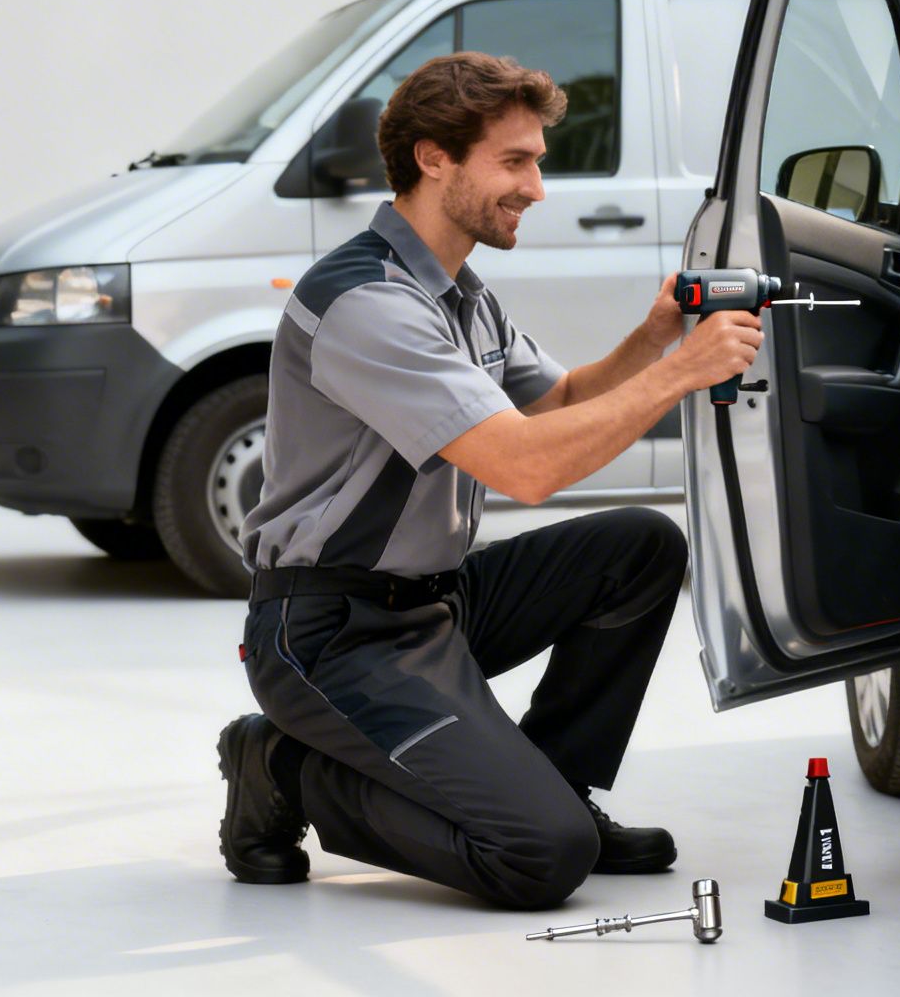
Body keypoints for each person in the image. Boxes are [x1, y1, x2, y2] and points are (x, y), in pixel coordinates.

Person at [215, 51, 762, 909]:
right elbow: (527, 465)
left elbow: (560, 403)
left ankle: (556, 781)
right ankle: (283, 766)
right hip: (330, 631)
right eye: (516, 161)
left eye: (535, 161)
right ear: (434, 159)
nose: (537, 188)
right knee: (539, 856)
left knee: (639, 547)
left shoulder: (462, 297)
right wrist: (681, 373)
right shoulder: (369, 304)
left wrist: (654, 340)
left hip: (435, 604)